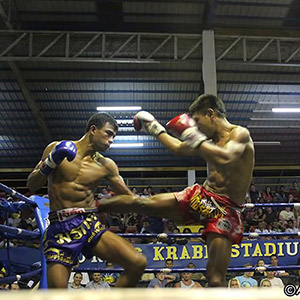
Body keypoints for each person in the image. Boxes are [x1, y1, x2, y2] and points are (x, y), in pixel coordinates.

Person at [98, 94, 254, 287]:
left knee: (214, 277)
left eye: (197, 121)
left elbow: (224, 158)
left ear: (210, 113)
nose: (196, 127)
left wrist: (192, 134)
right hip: (202, 197)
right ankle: (91, 208)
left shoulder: (240, 134)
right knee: (142, 203)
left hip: (224, 210)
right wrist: (153, 126)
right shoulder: (207, 140)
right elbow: (179, 148)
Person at [26, 112, 147, 288]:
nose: (111, 140)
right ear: (93, 129)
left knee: (137, 262)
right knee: (57, 295)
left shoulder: (106, 165)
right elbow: (32, 185)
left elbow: (130, 197)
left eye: (114, 136)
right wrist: (50, 162)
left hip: (89, 224)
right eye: (108, 133)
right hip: (60, 229)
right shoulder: (56, 147)